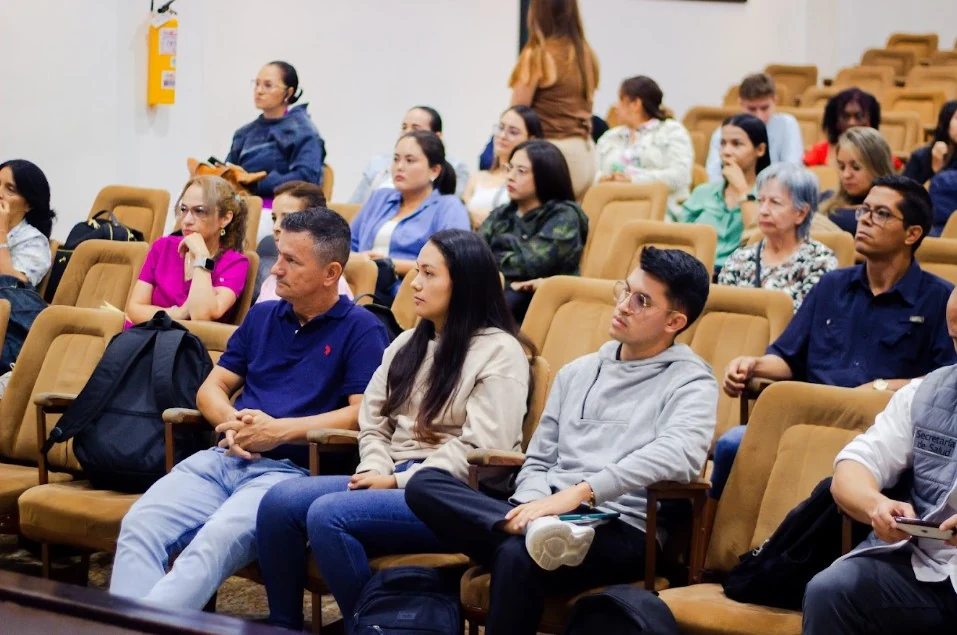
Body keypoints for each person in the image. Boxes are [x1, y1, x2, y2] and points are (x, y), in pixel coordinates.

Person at [405, 247, 717, 635]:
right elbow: (537, 461)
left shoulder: (692, 381)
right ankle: (525, 530)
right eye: (625, 291)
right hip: (545, 516)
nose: (622, 305)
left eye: (641, 301)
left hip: (621, 527)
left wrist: (580, 494)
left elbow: (680, 454)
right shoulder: (578, 372)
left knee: (515, 555)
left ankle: (527, 534)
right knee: (424, 483)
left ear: (675, 321)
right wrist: (533, 507)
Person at [109, 209, 390, 610]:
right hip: (225, 458)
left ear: (331, 273)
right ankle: (128, 624)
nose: (275, 270)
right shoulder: (262, 316)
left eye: (292, 261)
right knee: (139, 525)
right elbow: (212, 387)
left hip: (289, 475)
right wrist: (233, 423)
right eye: (279, 256)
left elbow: (362, 415)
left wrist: (279, 431)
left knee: (211, 544)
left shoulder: (362, 328)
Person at [256, 229, 533, 632]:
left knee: (328, 515)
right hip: (390, 474)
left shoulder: (499, 351)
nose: (414, 283)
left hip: (450, 496)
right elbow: (373, 421)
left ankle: (374, 626)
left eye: (428, 274)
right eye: (416, 271)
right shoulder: (407, 342)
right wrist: (375, 467)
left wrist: (397, 480)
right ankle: (283, 626)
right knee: (279, 502)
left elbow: (483, 447)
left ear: (466, 284)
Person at [713, 176, 957, 500]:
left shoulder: (938, 299)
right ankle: (715, 546)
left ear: (912, 233)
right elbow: (787, 358)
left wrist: (883, 387)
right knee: (732, 444)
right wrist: (753, 364)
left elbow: (944, 381)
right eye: (864, 210)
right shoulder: (833, 285)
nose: (866, 219)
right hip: (806, 421)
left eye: (881, 213)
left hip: (875, 429)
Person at [802, 290, 957, 633]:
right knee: (832, 590)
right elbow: (854, 464)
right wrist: (876, 505)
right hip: (927, 567)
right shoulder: (926, 393)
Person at [350, 130, 470, 304]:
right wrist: (361, 260)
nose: (399, 167)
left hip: (406, 293)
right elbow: (347, 244)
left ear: (434, 171)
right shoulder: (380, 197)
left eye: (410, 160)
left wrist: (390, 264)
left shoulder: (448, 206)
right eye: (396, 159)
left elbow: (453, 262)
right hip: (359, 283)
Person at [479, 140, 588, 322]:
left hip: (540, 300)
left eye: (521, 171)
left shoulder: (565, 216)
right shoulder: (504, 212)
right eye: (510, 168)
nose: (510, 177)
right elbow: (474, 253)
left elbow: (530, 264)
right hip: (498, 289)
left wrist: (496, 249)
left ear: (545, 175)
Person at [126, 175, 249, 325]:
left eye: (200, 211)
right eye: (184, 209)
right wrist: (178, 313)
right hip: (143, 337)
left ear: (225, 219)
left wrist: (202, 257)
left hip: (188, 345)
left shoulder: (235, 263)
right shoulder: (163, 247)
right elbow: (134, 309)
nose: (186, 220)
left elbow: (202, 316)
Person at [510, 0, 600, 201]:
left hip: (553, 157)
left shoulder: (538, 54)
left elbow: (517, 114)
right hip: (585, 155)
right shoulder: (585, 53)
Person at [718, 163, 838, 311]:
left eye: (775, 202)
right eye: (760, 201)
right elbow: (722, 316)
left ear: (801, 213)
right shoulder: (740, 258)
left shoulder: (819, 261)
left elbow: (809, 323)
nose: (763, 211)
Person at [596, 76, 694, 221]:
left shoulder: (673, 131)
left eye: (621, 100)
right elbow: (594, 173)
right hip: (612, 208)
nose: (616, 106)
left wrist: (633, 180)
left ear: (636, 104)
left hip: (659, 210)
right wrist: (604, 179)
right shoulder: (610, 137)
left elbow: (679, 176)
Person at [681, 114, 769, 274]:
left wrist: (743, 191)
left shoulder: (769, 196)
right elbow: (681, 242)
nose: (726, 152)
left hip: (742, 276)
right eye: (723, 143)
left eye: (737, 144)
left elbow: (758, 241)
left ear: (760, 149)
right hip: (695, 277)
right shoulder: (702, 192)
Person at [226, 62, 325, 199]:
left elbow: (306, 178)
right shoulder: (243, 133)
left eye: (268, 85)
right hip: (242, 204)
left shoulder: (303, 132)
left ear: (288, 92)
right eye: (257, 84)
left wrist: (256, 184)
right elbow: (229, 171)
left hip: (281, 208)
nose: (259, 91)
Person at [254, 180, 352, 303]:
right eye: (274, 218)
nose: (276, 227)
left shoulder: (333, 287)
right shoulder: (272, 279)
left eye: (288, 219)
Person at [349, 106, 471, 204]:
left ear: (437, 136)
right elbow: (353, 206)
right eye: (404, 127)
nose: (407, 133)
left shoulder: (455, 167)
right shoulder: (378, 163)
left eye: (415, 128)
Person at [706, 73, 802, 182]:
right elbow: (714, 175)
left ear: (775, 101)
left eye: (764, 108)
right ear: (741, 104)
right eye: (752, 109)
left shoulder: (787, 124)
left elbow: (793, 171)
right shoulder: (723, 133)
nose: (759, 115)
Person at [463, 106, 543, 228]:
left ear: (531, 139)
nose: (502, 135)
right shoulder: (478, 177)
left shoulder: (529, 182)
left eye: (513, 132)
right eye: (500, 128)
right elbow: (461, 211)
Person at [820, 127, 896, 235]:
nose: (846, 175)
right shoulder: (826, 197)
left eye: (856, 167)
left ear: (878, 167)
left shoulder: (889, 212)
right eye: (841, 167)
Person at [0, 159, 55, 288]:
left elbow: (12, 288)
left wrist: (1, 231)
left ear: (29, 205)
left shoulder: (35, 242)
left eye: (10, 189)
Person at [803, 88, 888, 168]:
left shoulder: (881, 152)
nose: (852, 122)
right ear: (835, 120)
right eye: (845, 116)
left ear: (871, 119)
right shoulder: (819, 152)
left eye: (859, 116)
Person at [903, 100, 957, 184]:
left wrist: (938, 171)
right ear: (946, 122)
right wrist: (935, 170)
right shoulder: (920, 157)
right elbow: (906, 192)